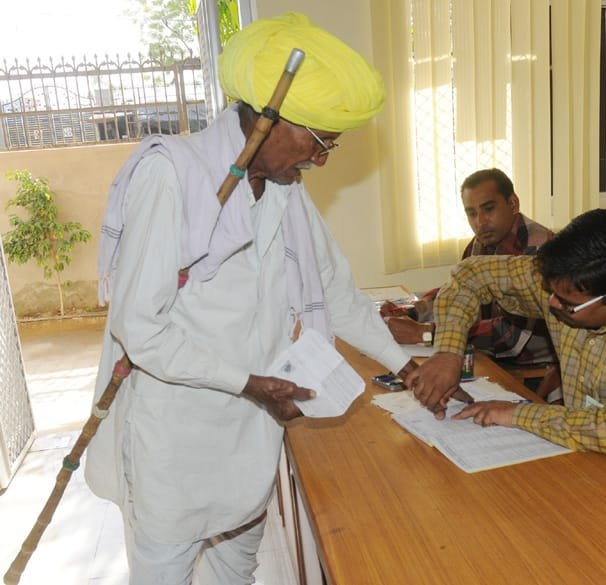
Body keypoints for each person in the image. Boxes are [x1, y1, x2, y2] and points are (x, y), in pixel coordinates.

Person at [85, 13, 417, 585]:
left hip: (250, 434)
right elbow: (141, 327)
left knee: (237, 572)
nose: (322, 161)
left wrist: (407, 366)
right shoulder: (173, 175)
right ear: (270, 120)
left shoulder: (286, 192)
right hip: (178, 438)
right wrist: (250, 383)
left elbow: (335, 292)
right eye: (319, 143)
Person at [406, 209, 606, 479]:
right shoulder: (568, 279)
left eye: (567, 303)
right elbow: (469, 276)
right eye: (550, 293)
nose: (552, 304)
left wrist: (515, 414)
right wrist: (448, 352)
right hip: (585, 438)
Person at [384, 168, 557, 370]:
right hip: (486, 355)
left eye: (489, 209)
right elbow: (456, 293)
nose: (480, 222)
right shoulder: (481, 243)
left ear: (513, 203)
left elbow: (509, 336)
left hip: (528, 369)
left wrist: (423, 333)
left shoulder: (539, 249)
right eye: (471, 213)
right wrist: (408, 314)